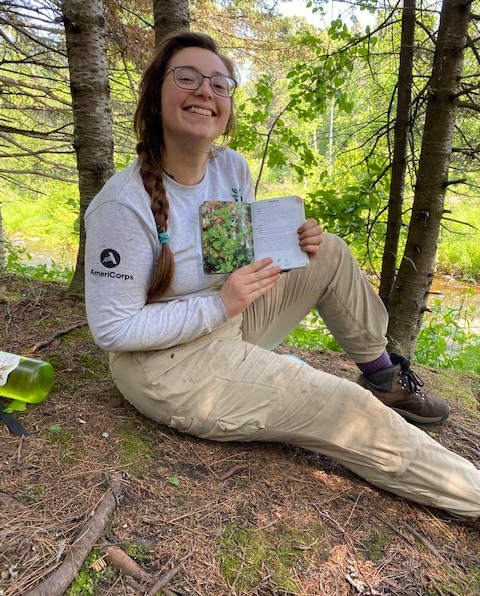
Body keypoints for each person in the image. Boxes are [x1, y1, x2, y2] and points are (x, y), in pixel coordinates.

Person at [84, 30, 480, 526]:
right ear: (154, 97)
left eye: (219, 83)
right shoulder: (121, 206)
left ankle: (386, 377)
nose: (205, 91)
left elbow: (238, 254)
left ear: (227, 106)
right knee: (344, 407)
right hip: (167, 367)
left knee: (329, 250)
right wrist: (219, 306)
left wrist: (295, 243)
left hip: (228, 321)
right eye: (186, 77)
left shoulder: (231, 167)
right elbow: (112, 331)